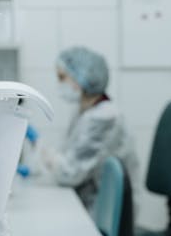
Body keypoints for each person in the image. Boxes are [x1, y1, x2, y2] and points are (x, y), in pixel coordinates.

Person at [40, 45, 139, 213]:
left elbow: (69, 173)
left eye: (62, 77)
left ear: (82, 77)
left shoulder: (104, 118)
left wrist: (50, 158)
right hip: (89, 202)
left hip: (106, 212)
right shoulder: (85, 112)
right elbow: (69, 156)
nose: (59, 84)